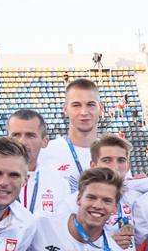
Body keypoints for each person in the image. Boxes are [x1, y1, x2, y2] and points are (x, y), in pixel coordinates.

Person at [37, 78, 105, 214]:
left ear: (101, 108)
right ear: (65, 109)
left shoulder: (113, 154)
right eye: (76, 105)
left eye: (90, 104)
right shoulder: (45, 152)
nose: (84, 112)